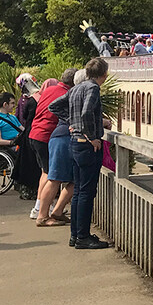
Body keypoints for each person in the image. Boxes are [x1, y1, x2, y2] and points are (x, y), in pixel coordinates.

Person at [54, 58, 111, 250]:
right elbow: (87, 112)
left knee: (78, 191)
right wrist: (91, 136)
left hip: (74, 143)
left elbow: (53, 106)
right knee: (87, 192)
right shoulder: (93, 88)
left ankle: (75, 235)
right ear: (104, 74)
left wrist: (72, 122)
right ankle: (83, 237)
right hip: (87, 146)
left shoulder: (75, 88)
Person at [30, 70, 78, 226]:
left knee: (47, 173)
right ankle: (41, 214)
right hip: (48, 134)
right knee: (53, 177)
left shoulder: (50, 89)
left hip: (36, 132)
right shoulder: (68, 95)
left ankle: (42, 209)